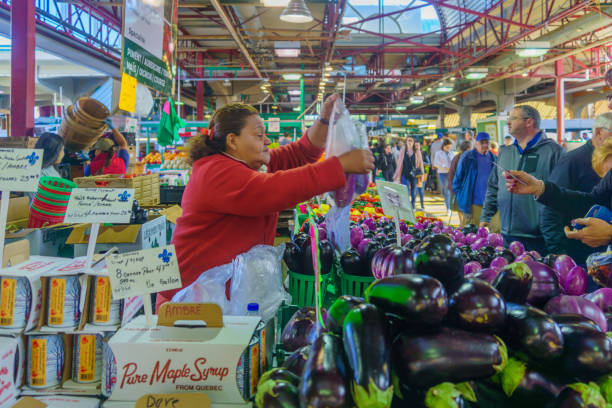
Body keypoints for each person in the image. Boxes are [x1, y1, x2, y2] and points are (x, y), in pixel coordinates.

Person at [157, 96, 374, 308]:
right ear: (232, 141)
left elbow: (297, 154)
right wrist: (338, 166)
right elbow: (273, 190)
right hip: (189, 302)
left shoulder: (245, 165)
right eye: (259, 136)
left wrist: (324, 121)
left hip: (221, 298)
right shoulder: (215, 172)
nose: (267, 141)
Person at [480, 105, 563, 253]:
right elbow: (494, 187)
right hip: (507, 234)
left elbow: (561, 192)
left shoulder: (553, 152)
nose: (508, 122)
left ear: (529, 122)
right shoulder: (505, 152)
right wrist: (486, 215)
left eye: (513, 118)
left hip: (539, 238)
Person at [539, 112, 612, 264]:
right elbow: (590, 200)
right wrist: (559, 253)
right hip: (583, 254)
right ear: (598, 132)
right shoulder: (572, 160)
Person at [453, 132, 500, 230]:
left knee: (495, 233)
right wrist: (460, 196)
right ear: (476, 143)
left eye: (487, 143)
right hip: (473, 203)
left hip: (491, 204)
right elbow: (457, 179)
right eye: (482, 142)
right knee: (471, 233)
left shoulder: (494, 158)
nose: (485, 145)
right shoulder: (467, 157)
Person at [395, 137, 424, 209]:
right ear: (406, 142)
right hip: (405, 173)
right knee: (405, 189)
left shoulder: (417, 151)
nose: (410, 142)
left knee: (414, 191)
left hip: (414, 174)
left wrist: (422, 174)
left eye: (411, 140)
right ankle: (407, 205)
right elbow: (400, 163)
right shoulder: (403, 150)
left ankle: (413, 205)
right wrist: (398, 174)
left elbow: (420, 163)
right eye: (408, 140)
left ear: (413, 142)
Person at [448, 139, 473, 225]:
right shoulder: (462, 158)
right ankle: (463, 224)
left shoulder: (459, 157)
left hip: (459, 187)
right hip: (459, 188)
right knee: (462, 208)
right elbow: (457, 175)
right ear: (467, 149)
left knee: (462, 208)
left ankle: (463, 224)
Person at [433, 138, 454, 215]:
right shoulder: (438, 153)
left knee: (449, 190)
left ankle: (448, 204)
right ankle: (448, 208)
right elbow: (435, 163)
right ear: (443, 146)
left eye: (450, 147)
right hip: (442, 173)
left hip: (450, 173)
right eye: (447, 147)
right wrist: (444, 166)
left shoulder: (451, 153)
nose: (449, 149)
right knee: (446, 189)